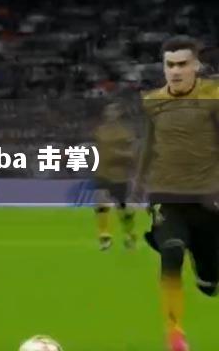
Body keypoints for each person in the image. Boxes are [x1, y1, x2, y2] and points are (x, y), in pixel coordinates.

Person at [132, 35, 219, 351]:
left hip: (208, 198)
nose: (176, 71)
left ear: (196, 65)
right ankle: (175, 333)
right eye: (170, 65)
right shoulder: (153, 102)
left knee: (210, 280)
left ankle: (206, 273)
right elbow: (149, 143)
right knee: (171, 251)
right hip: (166, 194)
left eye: (183, 64)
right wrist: (139, 182)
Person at [92, 102, 138, 250]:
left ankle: (129, 234)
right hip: (102, 173)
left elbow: (133, 154)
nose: (110, 113)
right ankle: (104, 237)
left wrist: (119, 154)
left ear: (119, 113)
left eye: (113, 110)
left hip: (120, 175)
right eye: (108, 110)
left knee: (122, 209)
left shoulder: (126, 133)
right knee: (101, 200)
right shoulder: (100, 131)